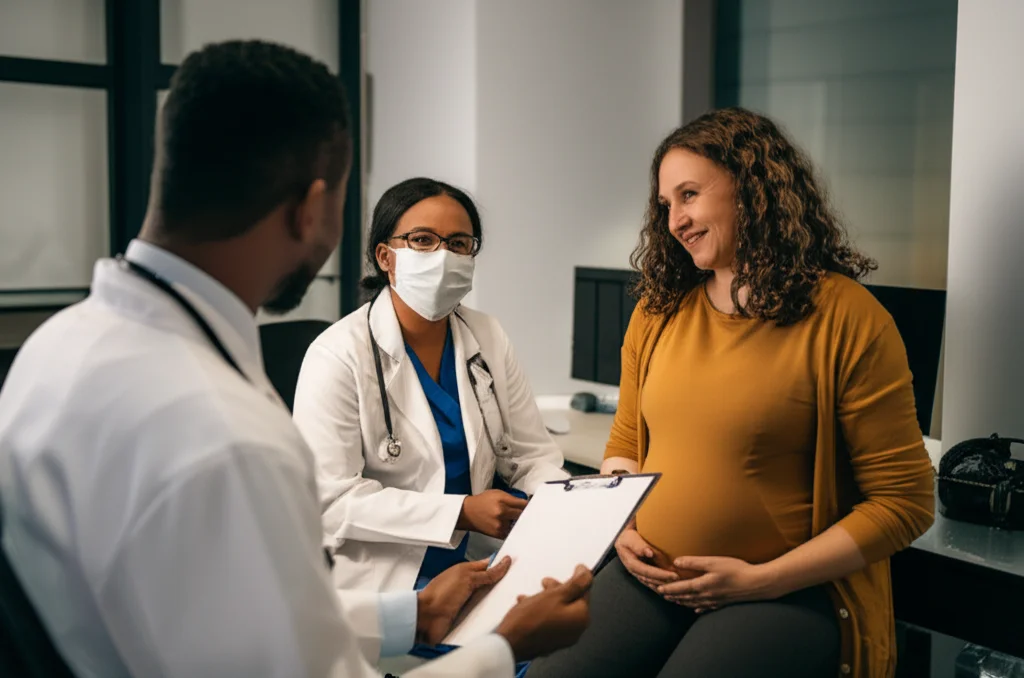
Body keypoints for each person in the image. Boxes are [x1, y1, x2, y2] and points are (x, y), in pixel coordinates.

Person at [0, 40, 590, 678]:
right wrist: (507, 650)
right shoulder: (227, 438)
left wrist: (408, 615)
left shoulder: (57, 346)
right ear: (314, 209)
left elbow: (226, 623)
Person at [526, 107, 935, 678]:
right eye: (666, 205)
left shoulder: (847, 318)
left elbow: (904, 502)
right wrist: (621, 528)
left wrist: (762, 579)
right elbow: (625, 443)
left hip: (783, 589)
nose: (675, 220)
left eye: (689, 195)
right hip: (651, 575)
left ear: (753, 187)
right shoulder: (658, 310)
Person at [292, 177, 569, 601]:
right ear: (386, 257)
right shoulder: (337, 354)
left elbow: (531, 456)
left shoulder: (487, 336)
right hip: (388, 572)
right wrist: (460, 512)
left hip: (483, 555)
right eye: (423, 240)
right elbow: (330, 501)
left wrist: (572, 508)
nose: (443, 255)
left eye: (459, 244)